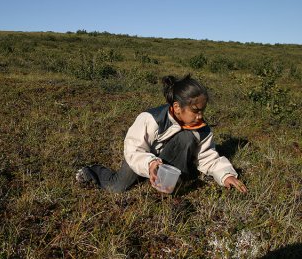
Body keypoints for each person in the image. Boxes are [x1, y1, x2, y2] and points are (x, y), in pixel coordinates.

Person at [76, 74, 248, 194]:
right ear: (177, 108)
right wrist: (150, 164)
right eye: (195, 111)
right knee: (117, 187)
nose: (200, 116)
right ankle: (93, 171)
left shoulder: (202, 129)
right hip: (142, 157)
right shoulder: (151, 119)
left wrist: (226, 175)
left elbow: (208, 157)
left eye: (203, 111)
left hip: (169, 166)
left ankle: (173, 183)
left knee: (187, 137)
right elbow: (133, 149)